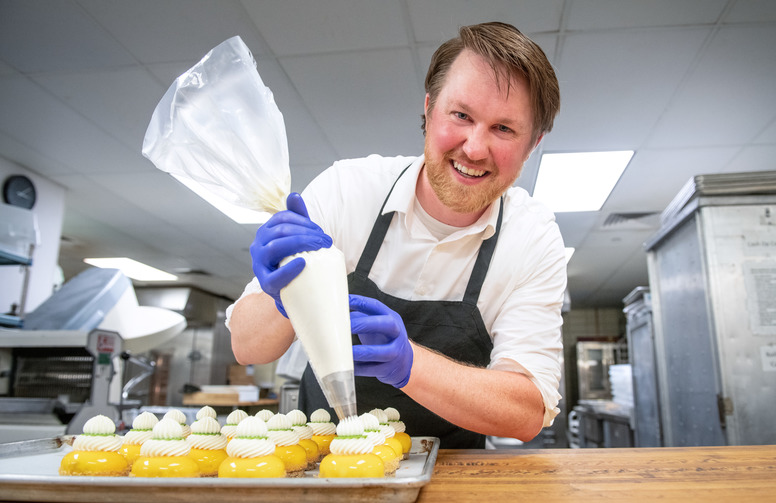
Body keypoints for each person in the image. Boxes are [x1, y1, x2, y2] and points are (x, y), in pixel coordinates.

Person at [227, 22, 565, 449]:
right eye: (461, 115)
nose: (475, 148)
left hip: (454, 478)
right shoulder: (347, 191)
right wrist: (285, 296)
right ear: (429, 109)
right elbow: (247, 347)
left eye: (504, 129)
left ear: (532, 144)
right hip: (324, 464)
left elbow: (527, 413)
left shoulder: (532, 238)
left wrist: (410, 365)